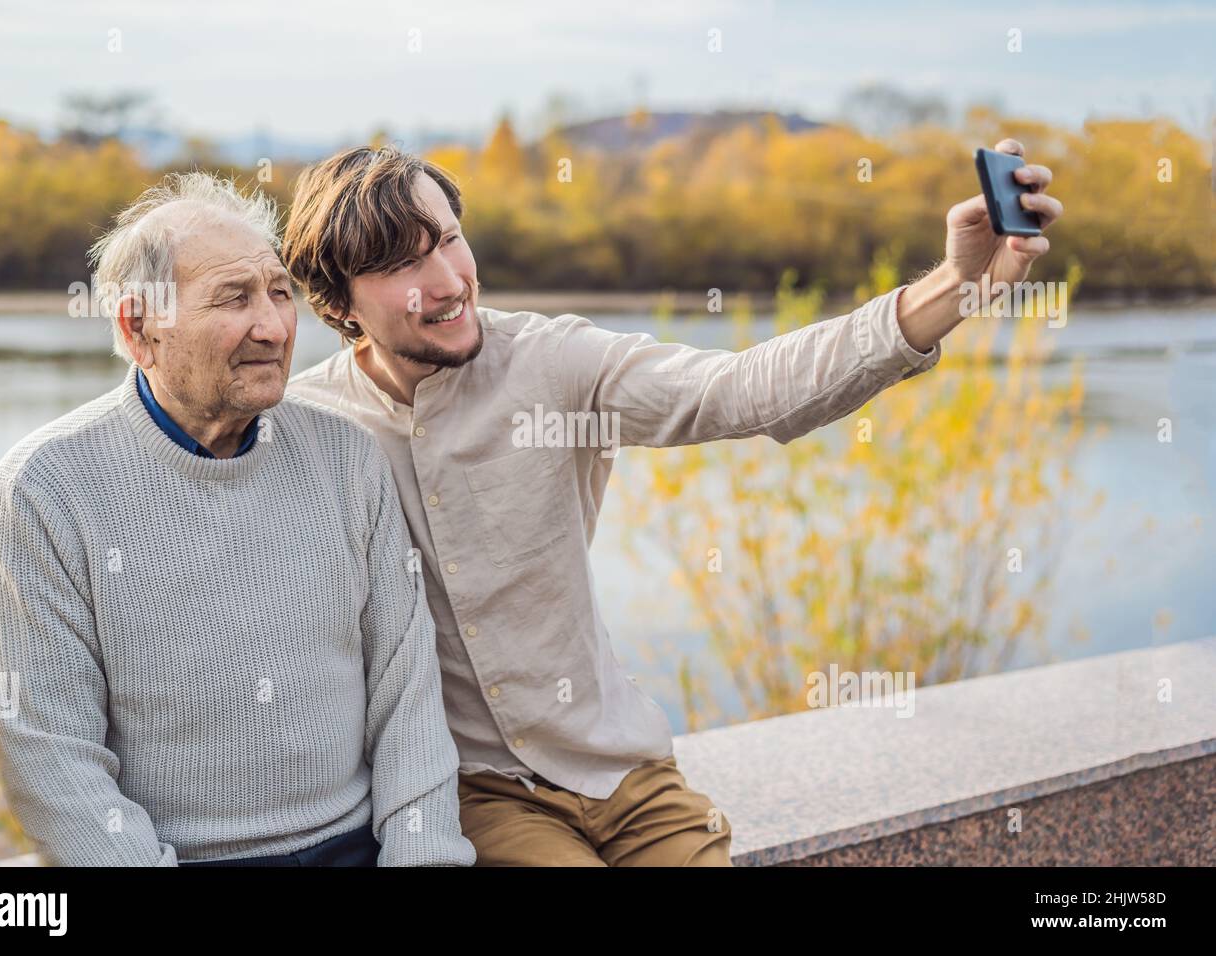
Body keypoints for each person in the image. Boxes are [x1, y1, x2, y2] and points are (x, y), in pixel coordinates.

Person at [281, 139, 1063, 866]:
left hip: (624, 768)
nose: (449, 283)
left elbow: (746, 391)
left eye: (449, 239)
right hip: (477, 790)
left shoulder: (553, 363)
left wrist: (959, 286)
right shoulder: (309, 428)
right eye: (403, 267)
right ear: (337, 302)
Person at [0, 172, 475, 867]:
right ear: (138, 326)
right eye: (233, 299)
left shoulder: (347, 458)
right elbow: (49, 756)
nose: (273, 327)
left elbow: (409, 699)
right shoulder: (46, 487)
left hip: (358, 848)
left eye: (278, 291)